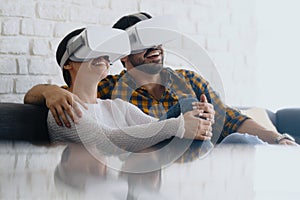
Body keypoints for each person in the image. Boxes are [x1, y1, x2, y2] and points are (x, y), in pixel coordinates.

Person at [24, 12, 297, 146]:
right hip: (156, 165)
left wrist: (278, 138)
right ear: (124, 58)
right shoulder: (108, 89)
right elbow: (70, 97)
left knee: (240, 141)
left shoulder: (188, 80)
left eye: (158, 41)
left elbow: (233, 120)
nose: (155, 49)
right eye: (144, 44)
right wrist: (48, 91)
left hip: (202, 158)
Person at [47, 27, 213, 155]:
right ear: (68, 63)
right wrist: (179, 125)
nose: (102, 56)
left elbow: (157, 128)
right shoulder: (64, 109)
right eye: (90, 50)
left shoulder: (117, 106)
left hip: (132, 183)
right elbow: (107, 140)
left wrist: (195, 119)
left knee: (191, 108)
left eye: (104, 52)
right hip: (94, 190)